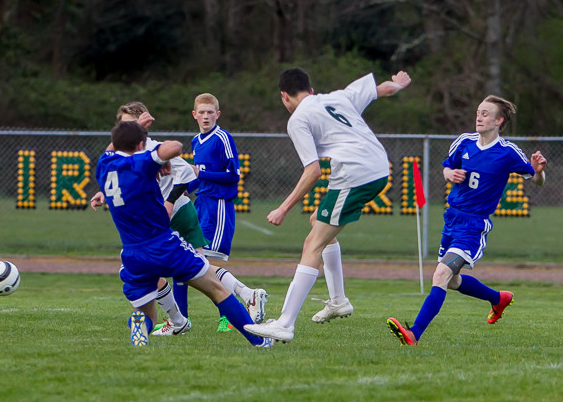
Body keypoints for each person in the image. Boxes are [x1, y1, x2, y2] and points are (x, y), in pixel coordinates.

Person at [244, 67, 412, 343]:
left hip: (355, 174)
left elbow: (312, 172)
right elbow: (384, 89)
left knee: (312, 244)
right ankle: (338, 300)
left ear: (284, 96)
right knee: (316, 223)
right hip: (378, 167)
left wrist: (282, 208)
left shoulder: (298, 119)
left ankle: (285, 324)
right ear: (311, 90)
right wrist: (398, 84)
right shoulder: (338, 97)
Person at [90, 102, 267, 336]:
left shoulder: (151, 148)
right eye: (122, 125)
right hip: (153, 226)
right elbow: (121, 178)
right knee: (185, 270)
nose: (124, 129)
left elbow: (185, 174)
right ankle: (184, 318)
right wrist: (105, 192)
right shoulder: (118, 159)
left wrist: (170, 202)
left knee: (194, 270)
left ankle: (187, 318)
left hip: (174, 215)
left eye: (129, 125)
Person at [387, 96, 546, 345]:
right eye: (478, 112)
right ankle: (498, 298)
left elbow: (537, 181)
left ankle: (414, 334)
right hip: (451, 218)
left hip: (473, 225)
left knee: (440, 275)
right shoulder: (464, 142)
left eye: (485, 114)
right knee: (451, 281)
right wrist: (449, 173)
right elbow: (446, 168)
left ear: (499, 120)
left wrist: (538, 171)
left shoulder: (507, 152)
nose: (479, 117)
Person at [190, 93, 267, 332]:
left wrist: (200, 175)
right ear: (194, 115)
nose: (205, 116)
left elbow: (234, 175)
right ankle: (233, 309)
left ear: (217, 114)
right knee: (195, 262)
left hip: (219, 205)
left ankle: (245, 298)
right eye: (201, 112)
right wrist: (180, 192)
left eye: (210, 112)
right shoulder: (196, 141)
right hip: (201, 204)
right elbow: (197, 177)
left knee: (204, 264)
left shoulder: (222, 138)